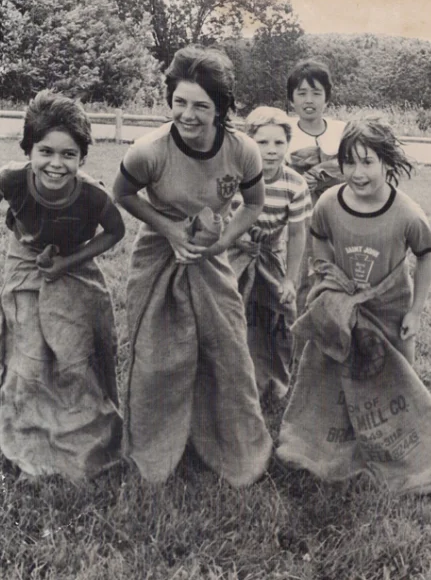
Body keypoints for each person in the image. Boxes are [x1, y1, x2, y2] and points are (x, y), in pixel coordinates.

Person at [113, 44, 272, 487]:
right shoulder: (150, 150)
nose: (187, 114)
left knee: (226, 348)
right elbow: (121, 195)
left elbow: (253, 203)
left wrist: (221, 242)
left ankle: (228, 447)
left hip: (209, 253)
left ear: (221, 108)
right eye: (179, 101)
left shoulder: (242, 152)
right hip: (158, 251)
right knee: (157, 352)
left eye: (201, 105)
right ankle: (155, 451)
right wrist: (168, 230)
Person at [277, 118, 431, 494]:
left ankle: (401, 450)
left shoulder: (407, 212)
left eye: (367, 162)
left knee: (396, 377)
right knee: (336, 370)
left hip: (389, 310)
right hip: (343, 308)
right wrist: (328, 277)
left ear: (387, 163)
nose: (357, 173)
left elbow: (426, 257)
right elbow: (319, 237)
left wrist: (416, 312)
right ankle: (334, 440)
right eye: (349, 162)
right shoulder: (328, 202)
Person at [0, 90, 125, 481]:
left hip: (75, 261)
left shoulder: (93, 195)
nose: (56, 163)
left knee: (74, 354)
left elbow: (115, 232)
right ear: (29, 151)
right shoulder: (13, 178)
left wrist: (68, 263)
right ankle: (28, 444)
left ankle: (85, 438)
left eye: (68, 154)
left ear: (82, 158)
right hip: (25, 257)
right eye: (45, 152)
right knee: (27, 354)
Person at [226, 107, 312, 400]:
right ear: (249, 142)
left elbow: (298, 233)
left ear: (288, 144)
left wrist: (291, 280)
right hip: (233, 250)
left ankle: (274, 382)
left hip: (272, 253)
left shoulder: (294, 184)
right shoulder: (235, 175)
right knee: (232, 310)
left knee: (280, 312)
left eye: (279, 143)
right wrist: (237, 240)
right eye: (263, 142)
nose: (271, 151)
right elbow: (216, 214)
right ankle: (231, 377)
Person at [286, 59, 347, 316]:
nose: (308, 100)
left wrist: (321, 171)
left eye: (316, 93)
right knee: (301, 273)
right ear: (291, 100)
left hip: (340, 212)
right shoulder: (285, 131)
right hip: (299, 215)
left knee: (338, 271)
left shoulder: (342, 130)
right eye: (301, 93)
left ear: (327, 99)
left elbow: (352, 167)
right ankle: (298, 333)